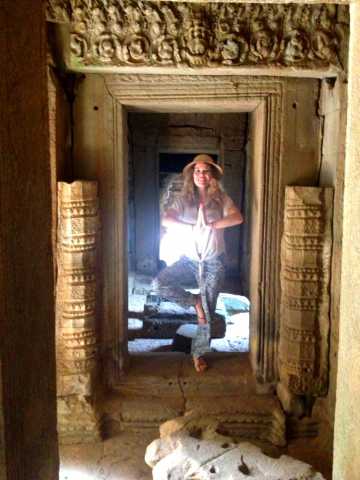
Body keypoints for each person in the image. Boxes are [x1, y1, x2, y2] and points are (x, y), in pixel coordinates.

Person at [152, 154, 244, 372]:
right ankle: (195, 302)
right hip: (190, 261)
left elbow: (237, 217)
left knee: (208, 313)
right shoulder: (184, 200)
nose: (201, 175)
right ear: (192, 175)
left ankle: (198, 353)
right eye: (197, 171)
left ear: (211, 175)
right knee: (159, 284)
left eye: (205, 171)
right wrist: (190, 226)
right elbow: (166, 218)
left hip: (213, 262)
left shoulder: (221, 199)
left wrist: (213, 224)